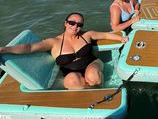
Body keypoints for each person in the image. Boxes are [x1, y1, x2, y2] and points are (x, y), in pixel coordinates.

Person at [0, 12, 128, 89]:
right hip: (70, 72)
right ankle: (86, 95)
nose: (75, 26)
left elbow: (105, 35)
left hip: (92, 63)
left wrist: (121, 38)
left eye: (79, 24)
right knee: (72, 81)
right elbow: (29, 48)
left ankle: (101, 90)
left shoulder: (87, 35)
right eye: (72, 23)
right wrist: (4, 49)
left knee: (93, 75)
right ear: (65, 23)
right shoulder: (54, 42)